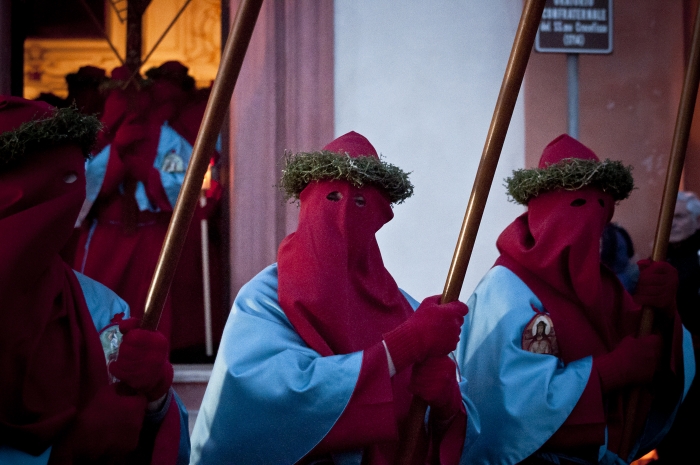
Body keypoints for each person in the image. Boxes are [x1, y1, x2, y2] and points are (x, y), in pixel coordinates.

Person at [190, 131, 469, 464]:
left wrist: (447, 408)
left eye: (361, 203)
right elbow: (264, 403)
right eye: (332, 197)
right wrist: (402, 348)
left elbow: (449, 432)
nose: (343, 216)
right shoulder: (264, 300)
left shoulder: (407, 311)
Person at [455, 134, 695, 464]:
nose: (585, 229)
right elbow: (509, 406)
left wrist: (665, 313)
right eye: (576, 205)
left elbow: (647, 353)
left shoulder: (605, 285)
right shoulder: (507, 289)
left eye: (600, 209)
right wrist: (608, 373)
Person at [0, 96, 189, 464]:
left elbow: (156, 441)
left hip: (143, 234)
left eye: (70, 179)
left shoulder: (101, 308)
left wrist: (154, 400)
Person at [68, 62, 224, 357]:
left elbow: (183, 185)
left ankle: (145, 359)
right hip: (105, 235)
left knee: (149, 305)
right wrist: (116, 154)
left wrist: (143, 169)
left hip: (149, 235)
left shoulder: (165, 136)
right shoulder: (94, 136)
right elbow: (79, 183)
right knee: (97, 303)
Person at [655, 191, 700, 464]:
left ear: (697, 221)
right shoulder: (665, 254)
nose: (672, 223)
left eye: (680, 216)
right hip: (669, 362)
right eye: (669, 216)